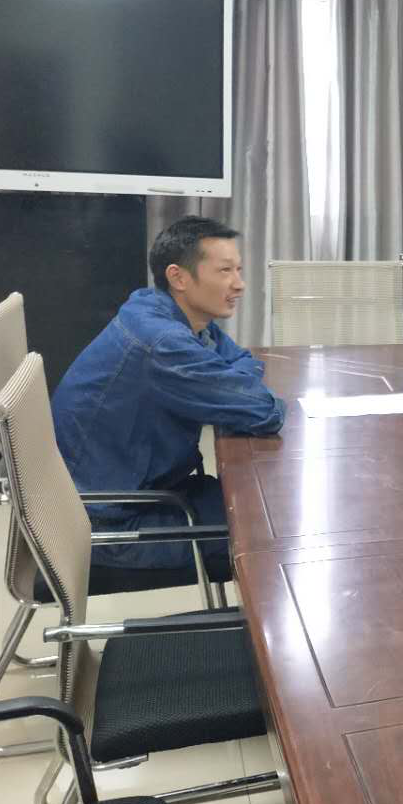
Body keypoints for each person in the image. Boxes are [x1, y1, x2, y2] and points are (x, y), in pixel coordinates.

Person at [53, 216, 287, 573]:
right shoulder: (164, 342)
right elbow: (265, 411)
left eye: (239, 270)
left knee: (272, 501)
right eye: (225, 271)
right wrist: (233, 385)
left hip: (138, 493)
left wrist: (230, 382)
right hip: (113, 523)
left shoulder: (161, 309)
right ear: (178, 277)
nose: (239, 284)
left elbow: (241, 359)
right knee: (280, 527)